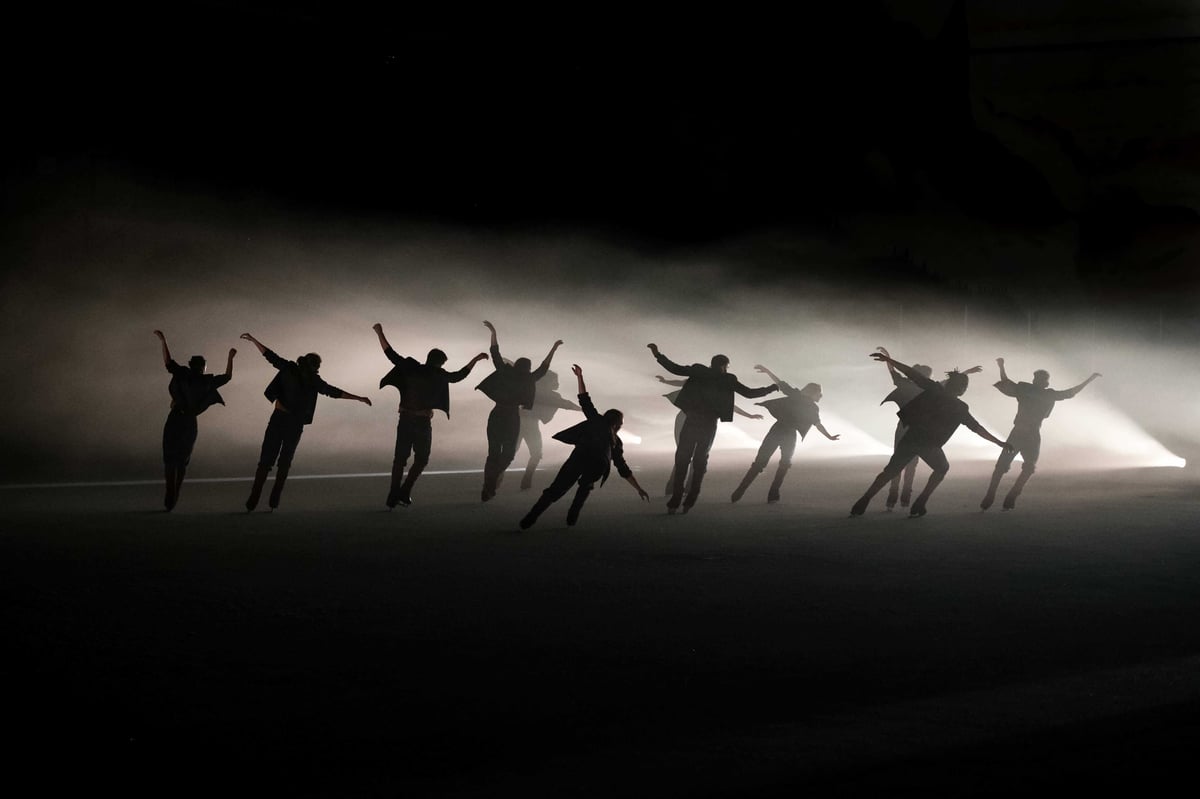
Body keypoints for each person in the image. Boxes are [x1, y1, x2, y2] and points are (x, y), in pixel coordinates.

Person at [850, 351, 1013, 517]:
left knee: (890, 471)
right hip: (929, 444)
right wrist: (999, 443)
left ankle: (864, 499)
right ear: (962, 388)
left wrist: (889, 360)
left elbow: (912, 374)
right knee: (942, 468)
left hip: (911, 437)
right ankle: (920, 502)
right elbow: (977, 428)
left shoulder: (935, 390)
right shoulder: (960, 407)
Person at [240, 332, 373, 511]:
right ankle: (272, 498)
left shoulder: (292, 370)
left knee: (267, 460)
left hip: (281, 419)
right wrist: (358, 398)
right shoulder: (311, 378)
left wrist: (255, 341)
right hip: (292, 423)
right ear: (315, 365)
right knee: (283, 461)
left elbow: (271, 357)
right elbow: (332, 391)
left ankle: (256, 498)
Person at [647, 343, 778, 514]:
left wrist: (657, 354)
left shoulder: (698, 371)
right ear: (724, 365)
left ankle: (674, 501)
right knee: (700, 461)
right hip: (708, 424)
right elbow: (749, 393)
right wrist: (772, 388)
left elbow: (675, 368)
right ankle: (689, 501)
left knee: (682, 459)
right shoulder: (728, 379)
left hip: (692, 420)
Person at [373, 322, 488, 508]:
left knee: (400, 459)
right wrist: (476, 359)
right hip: (422, 421)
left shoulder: (411, 367)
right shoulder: (440, 374)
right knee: (422, 459)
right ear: (441, 362)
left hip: (405, 418)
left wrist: (379, 332)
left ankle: (395, 494)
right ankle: (404, 491)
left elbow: (391, 354)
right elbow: (459, 376)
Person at [519, 364, 649, 529]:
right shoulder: (616, 441)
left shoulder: (596, 421)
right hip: (598, 465)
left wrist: (580, 377)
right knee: (585, 487)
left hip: (579, 457)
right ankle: (573, 514)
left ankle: (531, 517)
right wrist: (638, 488)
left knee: (556, 489)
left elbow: (584, 399)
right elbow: (622, 468)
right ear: (617, 424)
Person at [981, 358, 1101, 511]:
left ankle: (1002, 494)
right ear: (1045, 382)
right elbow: (1071, 392)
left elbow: (1006, 382)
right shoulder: (1045, 394)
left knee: (1009, 466)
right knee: (1025, 467)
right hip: (1029, 433)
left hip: (1021, 432)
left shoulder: (1026, 389)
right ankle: (1005, 494)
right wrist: (1089, 380)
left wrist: (1001, 366)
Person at [475, 320, 563, 501]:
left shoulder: (508, 372)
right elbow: (544, 367)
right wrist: (554, 349)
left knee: (494, 453)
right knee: (506, 455)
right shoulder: (529, 378)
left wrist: (493, 332)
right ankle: (489, 484)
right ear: (528, 368)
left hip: (498, 414)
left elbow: (495, 353)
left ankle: (489, 484)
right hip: (511, 416)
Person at [730, 364, 840, 504]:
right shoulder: (812, 407)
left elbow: (781, 384)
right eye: (820, 393)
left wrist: (768, 371)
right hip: (787, 433)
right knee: (783, 464)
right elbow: (818, 425)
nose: (821, 396)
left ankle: (742, 491)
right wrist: (829, 436)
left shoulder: (799, 398)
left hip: (778, 430)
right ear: (813, 393)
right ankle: (772, 494)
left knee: (761, 463)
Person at [154, 330, 235, 511]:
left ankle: (171, 490)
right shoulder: (205, 380)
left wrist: (163, 341)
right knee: (182, 458)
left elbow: (168, 362)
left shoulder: (183, 373)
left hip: (176, 417)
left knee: (171, 457)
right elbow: (228, 376)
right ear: (203, 367)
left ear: (191, 365)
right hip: (188, 420)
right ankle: (175, 491)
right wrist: (231, 358)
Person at [656, 375, 762, 496]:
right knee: (687, 454)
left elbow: (729, 405)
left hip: (696, 420)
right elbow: (682, 383)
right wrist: (665, 381)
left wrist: (749, 415)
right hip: (688, 419)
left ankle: (679, 488)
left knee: (689, 455)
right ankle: (676, 488)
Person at [518, 369, 581, 491]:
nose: (557, 384)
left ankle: (520, 479)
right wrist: (583, 409)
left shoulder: (531, 389)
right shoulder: (549, 395)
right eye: (554, 381)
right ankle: (526, 480)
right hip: (529, 425)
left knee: (513, 453)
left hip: (520, 422)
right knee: (535, 453)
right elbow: (566, 404)